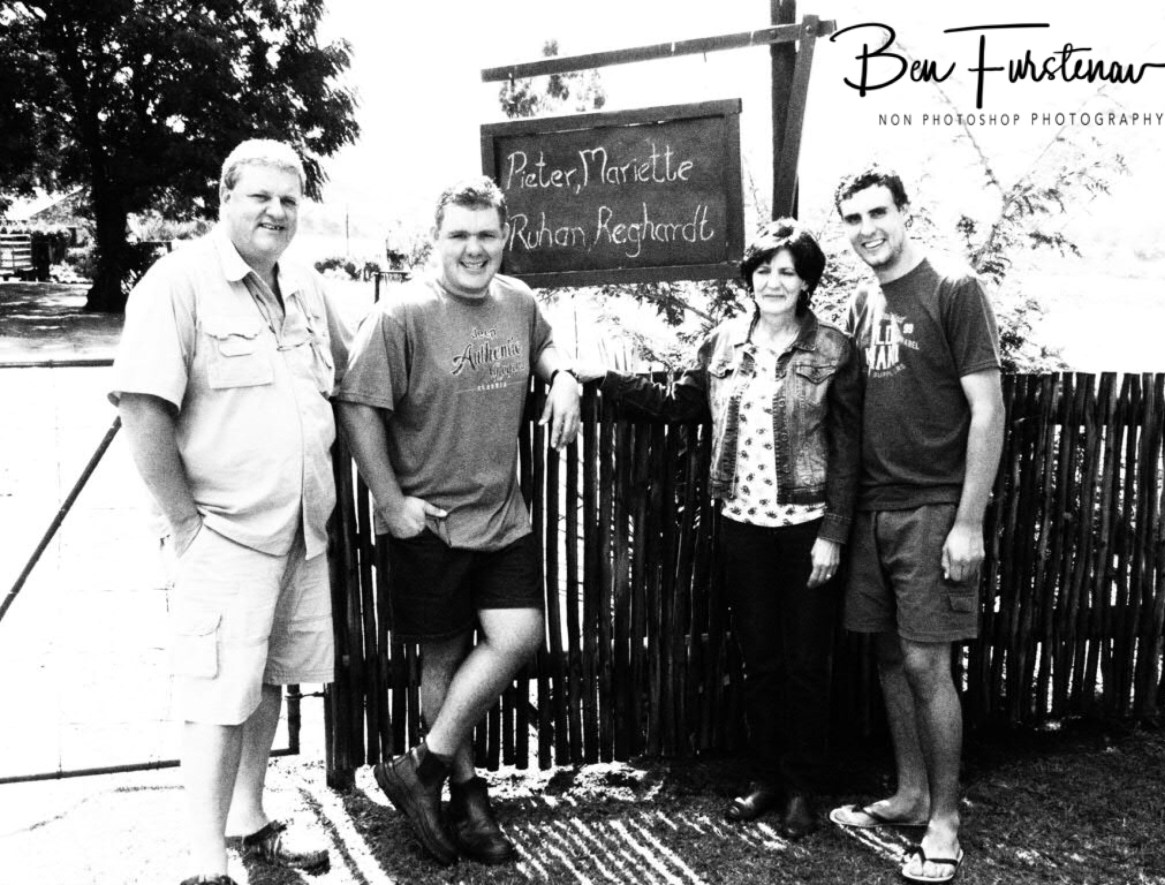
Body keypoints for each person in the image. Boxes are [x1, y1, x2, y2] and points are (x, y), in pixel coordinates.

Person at [111, 139, 353, 885]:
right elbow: (143, 413)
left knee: (267, 680)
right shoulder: (177, 284)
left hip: (300, 534)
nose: (276, 212)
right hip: (223, 532)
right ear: (224, 200)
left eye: (289, 199)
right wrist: (185, 525)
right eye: (260, 197)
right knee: (217, 694)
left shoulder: (307, 287)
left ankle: (250, 822)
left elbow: (354, 371)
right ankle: (204, 863)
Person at [578, 219, 862, 839]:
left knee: (806, 664)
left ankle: (803, 789)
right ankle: (765, 779)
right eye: (764, 269)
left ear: (807, 280)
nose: (774, 281)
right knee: (759, 660)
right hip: (741, 524)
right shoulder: (726, 341)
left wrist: (833, 535)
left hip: (806, 527)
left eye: (788, 271)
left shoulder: (834, 348)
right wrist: (605, 379)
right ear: (750, 277)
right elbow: (682, 401)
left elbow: (847, 449)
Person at [336, 176, 581, 866]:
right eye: (459, 235)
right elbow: (357, 405)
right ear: (434, 239)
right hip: (431, 521)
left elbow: (542, 345)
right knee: (442, 656)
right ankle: (469, 800)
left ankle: (424, 767)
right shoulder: (401, 315)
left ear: (505, 237)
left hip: (504, 517)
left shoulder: (519, 300)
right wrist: (390, 502)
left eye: (486, 235)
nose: (474, 249)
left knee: (517, 635)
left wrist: (563, 374)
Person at [827, 166, 1004, 885]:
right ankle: (908, 794)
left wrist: (968, 522)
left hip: (934, 508)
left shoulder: (953, 289)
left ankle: (945, 820)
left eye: (880, 212)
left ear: (906, 213)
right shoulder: (861, 302)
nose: (868, 227)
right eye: (854, 218)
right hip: (875, 508)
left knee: (930, 662)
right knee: (891, 658)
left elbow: (988, 411)